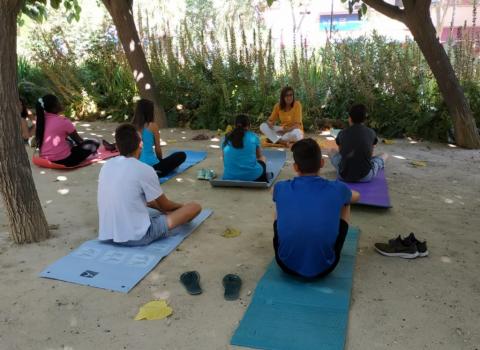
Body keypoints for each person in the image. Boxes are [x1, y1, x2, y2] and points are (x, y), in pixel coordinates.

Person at [97, 123, 202, 246]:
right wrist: (181, 207)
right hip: (138, 237)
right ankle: (181, 210)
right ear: (140, 145)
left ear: (118, 147)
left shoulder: (106, 166)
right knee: (194, 207)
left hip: (107, 234)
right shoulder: (144, 169)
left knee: (147, 201)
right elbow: (166, 205)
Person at [272, 138, 360, 279]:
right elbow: (356, 197)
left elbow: (276, 195)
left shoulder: (280, 187)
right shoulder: (338, 189)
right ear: (322, 163)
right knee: (346, 202)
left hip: (285, 264)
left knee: (279, 203)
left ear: (295, 167)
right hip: (325, 268)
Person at [35, 94, 101, 167]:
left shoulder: (40, 120)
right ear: (54, 108)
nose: (61, 104)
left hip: (45, 158)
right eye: (58, 102)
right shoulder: (63, 121)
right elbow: (79, 141)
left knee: (68, 140)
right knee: (94, 142)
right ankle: (89, 155)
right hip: (65, 160)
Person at [331, 104, 387, 182]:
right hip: (366, 176)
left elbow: (341, 153)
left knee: (331, 151)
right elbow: (370, 154)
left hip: (343, 176)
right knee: (384, 155)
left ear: (350, 118)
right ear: (364, 119)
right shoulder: (371, 132)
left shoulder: (342, 133)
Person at [132, 99, 186, 177]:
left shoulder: (130, 127)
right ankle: (156, 172)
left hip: (137, 168)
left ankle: (151, 172)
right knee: (181, 155)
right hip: (153, 166)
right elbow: (158, 148)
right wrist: (161, 161)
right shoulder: (152, 126)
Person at [222, 114, 268, 182]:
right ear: (249, 125)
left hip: (229, 176)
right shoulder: (254, 136)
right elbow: (259, 156)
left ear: (235, 125)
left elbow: (224, 159)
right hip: (254, 176)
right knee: (263, 158)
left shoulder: (226, 137)